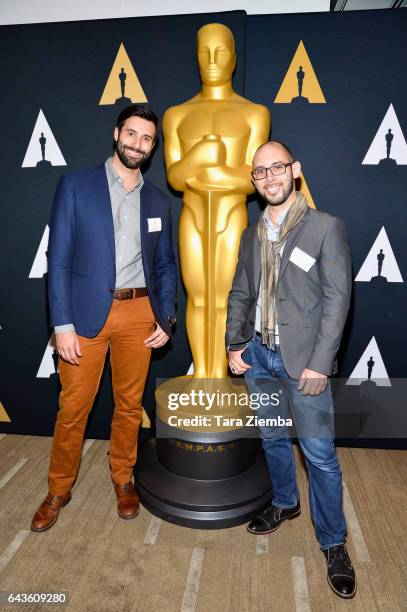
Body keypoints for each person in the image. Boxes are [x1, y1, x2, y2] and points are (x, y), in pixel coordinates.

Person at [31, 104, 177, 532]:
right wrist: (62, 326)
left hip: (138, 314)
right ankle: (58, 488)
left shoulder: (157, 201)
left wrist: (165, 318)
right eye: (132, 134)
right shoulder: (76, 185)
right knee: (73, 407)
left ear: (153, 147)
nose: (138, 143)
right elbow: (57, 260)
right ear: (117, 134)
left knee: (129, 407)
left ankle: (123, 478)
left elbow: (166, 266)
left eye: (147, 138)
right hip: (84, 316)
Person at [226, 141, 356, 599]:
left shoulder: (325, 228)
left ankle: (334, 543)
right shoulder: (250, 233)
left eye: (277, 168)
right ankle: (284, 502)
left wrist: (321, 364)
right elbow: (241, 291)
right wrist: (234, 344)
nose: (269, 178)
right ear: (254, 180)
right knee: (273, 438)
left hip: (305, 364)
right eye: (260, 172)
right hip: (258, 357)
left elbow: (338, 301)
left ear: (295, 171)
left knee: (320, 455)